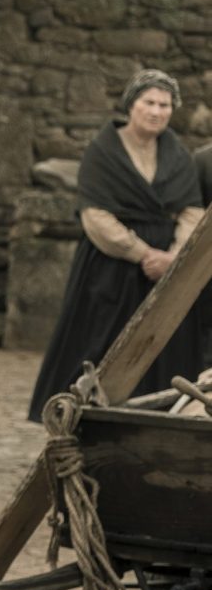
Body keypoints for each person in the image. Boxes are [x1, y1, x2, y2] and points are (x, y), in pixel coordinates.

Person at [28, 68, 205, 422]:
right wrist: (143, 253)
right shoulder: (103, 152)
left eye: (164, 105)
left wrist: (173, 258)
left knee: (164, 345)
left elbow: (192, 210)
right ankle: (84, 417)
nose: (156, 111)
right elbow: (95, 216)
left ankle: (164, 416)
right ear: (131, 105)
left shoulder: (178, 154)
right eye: (149, 102)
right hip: (113, 266)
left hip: (166, 272)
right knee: (100, 342)